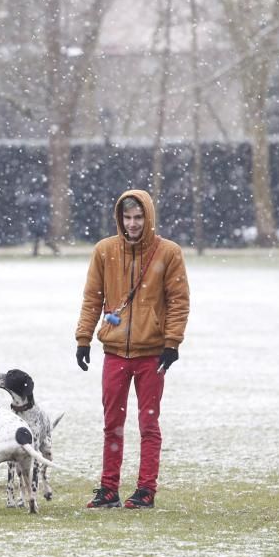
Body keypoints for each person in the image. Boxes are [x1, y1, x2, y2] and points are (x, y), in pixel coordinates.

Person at [74, 189, 190, 510]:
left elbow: (179, 302)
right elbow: (92, 298)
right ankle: (108, 489)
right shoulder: (104, 251)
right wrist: (83, 338)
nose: (133, 223)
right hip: (115, 353)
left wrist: (172, 343)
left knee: (148, 425)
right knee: (112, 423)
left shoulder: (168, 253)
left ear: (148, 217)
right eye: (127, 217)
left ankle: (145, 490)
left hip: (151, 354)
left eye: (139, 217)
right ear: (119, 218)